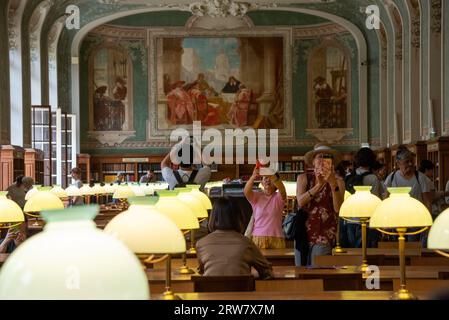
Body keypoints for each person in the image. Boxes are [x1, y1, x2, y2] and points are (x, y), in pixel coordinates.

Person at [196, 197, 273, 279]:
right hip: (241, 290)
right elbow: (267, 272)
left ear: (213, 217)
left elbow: (202, 272)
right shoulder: (246, 243)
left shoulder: (201, 244)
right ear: (238, 218)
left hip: (210, 290)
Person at [295, 144, 345, 266]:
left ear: (332, 163)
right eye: (319, 157)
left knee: (318, 271)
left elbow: (338, 208)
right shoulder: (303, 178)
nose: (323, 160)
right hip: (303, 233)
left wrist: (333, 184)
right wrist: (319, 185)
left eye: (327, 157)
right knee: (300, 273)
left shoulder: (339, 182)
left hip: (324, 235)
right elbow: (300, 202)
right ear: (313, 161)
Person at [384, 149, 433, 242]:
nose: (410, 164)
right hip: (396, 220)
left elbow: (427, 202)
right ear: (398, 164)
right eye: (407, 162)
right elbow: (385, 201)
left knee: (413, 248)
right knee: (397, 248)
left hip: (416, 220)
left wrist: (429, 223)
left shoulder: (420, 178)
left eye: (412, 161)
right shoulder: (391, 178)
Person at [344, 148, 384, 248]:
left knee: (353, 252)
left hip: (350, 219)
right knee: (368, 251)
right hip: (367, 221)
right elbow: (376, 201)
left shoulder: (349, 176)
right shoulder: (372, 178)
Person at [243, 166, 287, 249]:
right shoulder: (256, 196)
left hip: (277, 239)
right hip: (258, 238)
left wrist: (272, 175)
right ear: (261, 182)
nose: (268, 180)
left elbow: (282, 189)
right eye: (265, 178)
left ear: (276, 183)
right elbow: (246, 192)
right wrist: (253, 177)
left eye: (270, 178)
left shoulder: (279, 197)